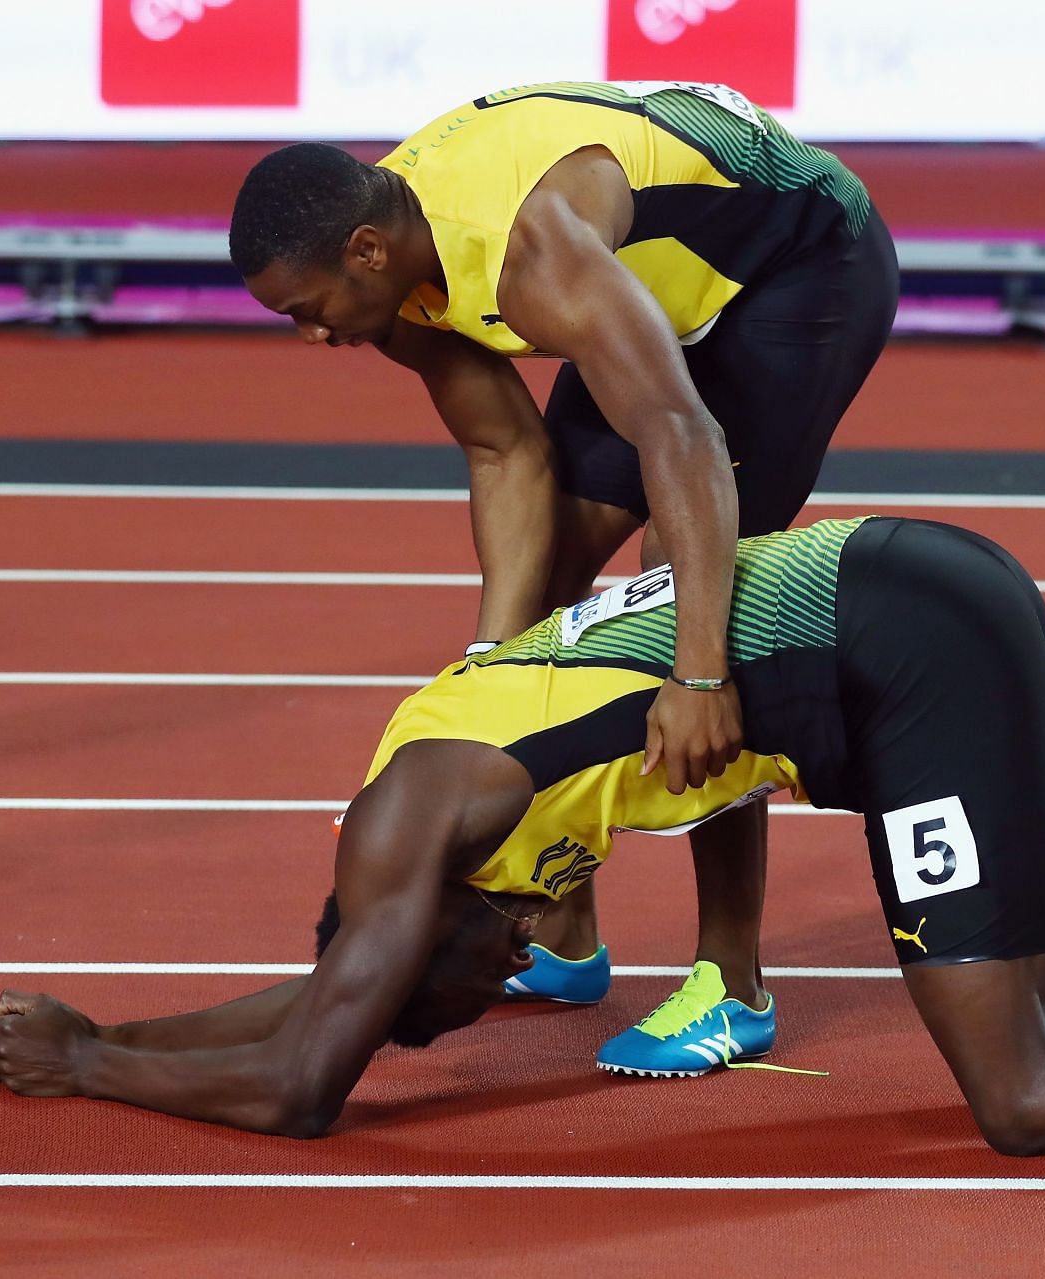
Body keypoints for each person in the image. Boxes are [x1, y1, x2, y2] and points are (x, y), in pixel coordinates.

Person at [0, 517, 1045, 1186]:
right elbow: (327, 1006)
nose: (486, 984)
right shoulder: (429, 826)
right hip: (914, 619)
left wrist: (91, 1056)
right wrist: (107, 1033)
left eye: (438, 988)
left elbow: (312, 1064)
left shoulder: (414, 820)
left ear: (417, 920)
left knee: (1027, 1093)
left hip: (911, 650)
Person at [225, 81, 900, 1066]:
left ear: (363, 253)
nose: (312, 336)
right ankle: (567, 932)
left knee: (687, 592)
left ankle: (733, 982)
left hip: (799, 268)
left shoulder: (531, 252)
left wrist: (700, 675)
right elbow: (506, 452)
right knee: (548, 610)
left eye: (309, 310)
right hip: (650, 291)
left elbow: (682, 432)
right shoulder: (390, 275)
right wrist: (494, 661)